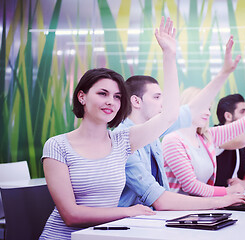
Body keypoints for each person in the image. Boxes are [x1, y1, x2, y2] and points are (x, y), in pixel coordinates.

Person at [40, 17, 181, 239]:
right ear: (82, 96)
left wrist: (169, 55)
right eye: (102, 93)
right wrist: (129, 212)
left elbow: (170, 114)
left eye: (116, 96)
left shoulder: (122, 141)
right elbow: (71, 215)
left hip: (102, 236)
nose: (111, 102)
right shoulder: (57, 145)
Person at [115, 35, 245, 210]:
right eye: (157, 97)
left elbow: (161, 195)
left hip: (151, 220)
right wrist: (223, 198)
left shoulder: (154, 137)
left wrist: (224, 73)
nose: (163, 103)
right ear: (136, 101)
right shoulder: (123, 141)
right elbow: (160, 200)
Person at [162, 76, 245, 197]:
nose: (208, 113)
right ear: (188, 106)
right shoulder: (173, 140)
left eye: (209, 108)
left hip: (201, 208)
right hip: (181, 214)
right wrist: (227, 193)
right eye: (204, 107)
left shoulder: (206, 136)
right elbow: (191, 186)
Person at [214, 93, 245, 189]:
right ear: (228, 116)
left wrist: (244, 184)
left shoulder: (241, 143)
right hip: (217, 201)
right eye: (242, 112)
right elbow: (242, 142)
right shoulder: (215, 136)